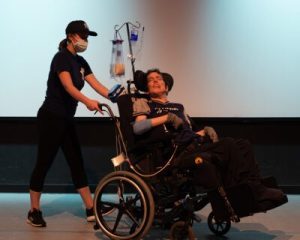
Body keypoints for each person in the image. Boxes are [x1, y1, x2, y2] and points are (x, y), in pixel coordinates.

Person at [131, 68, 286, 213]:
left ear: (166, 86)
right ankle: (254, 192)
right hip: (175, 153)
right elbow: (138, 128)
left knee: (243, 144)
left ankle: (254, 186)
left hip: (193, 144)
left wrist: (204, 131)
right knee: (228, 145)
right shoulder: (146, 103)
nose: (155, 81)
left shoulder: (178, 106)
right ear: (147, 87)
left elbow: (189, 132)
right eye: (151, 80)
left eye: (158, 78)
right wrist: (166, 118)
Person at [27, 20, 120, 227]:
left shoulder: (81, 62)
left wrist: (116, 96)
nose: (86, 41)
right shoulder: (61, 58)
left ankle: (90, 208)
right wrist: (87, 102)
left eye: (87, 37)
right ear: (71, 36)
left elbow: (97, 85)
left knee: (76, 161)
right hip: (51, 117)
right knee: (44, 162)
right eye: (83, 36)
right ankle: (34, 210)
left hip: (66, 119)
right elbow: (68, 87)